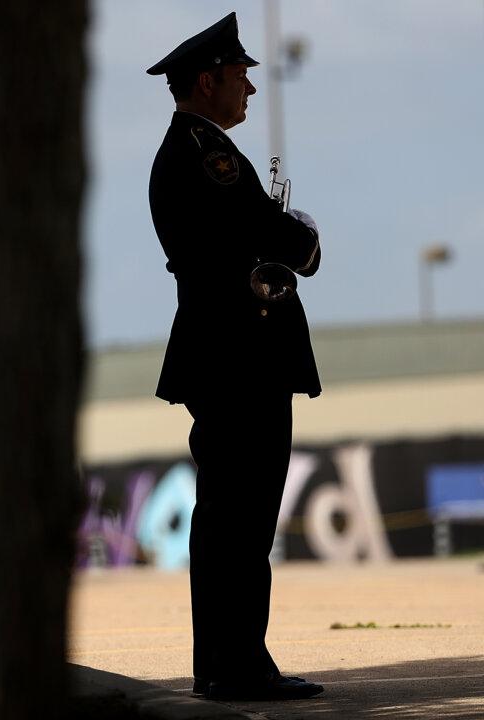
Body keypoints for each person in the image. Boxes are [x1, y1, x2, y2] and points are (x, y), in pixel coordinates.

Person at [146, 12, 323, 701]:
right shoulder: (206, 154)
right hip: (237, 354)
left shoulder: (198, 149)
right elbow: (262, 231)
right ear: (207, 78)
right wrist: (302, 237)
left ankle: (228, 661)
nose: (250, 86)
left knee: (237, 516)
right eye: (240, 74)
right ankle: (235, 664)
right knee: (238, 518)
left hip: (232, 353)